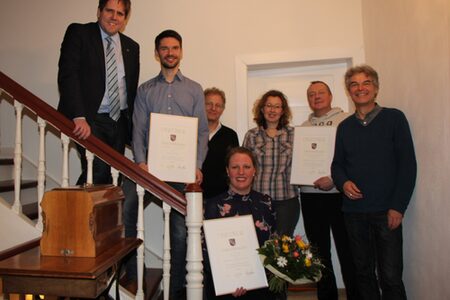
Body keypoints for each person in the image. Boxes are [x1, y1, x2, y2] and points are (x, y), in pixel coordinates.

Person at [122, 29, 209, 299]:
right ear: (157, 53)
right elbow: (138, 130)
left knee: (181, 233)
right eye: (164, 48)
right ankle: (133, 275)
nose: (169, 52)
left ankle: (176, 290)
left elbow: (202, 132)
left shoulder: (194, 89)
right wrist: (141, 162)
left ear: (181, 51)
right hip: (150, 171)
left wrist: (196, 165)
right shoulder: (145, 90)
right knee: (126, 209)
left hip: (183, 174)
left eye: (174, 48)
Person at [331, 65, 417, 300]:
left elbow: (408, 166)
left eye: (366, 83)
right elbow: (337, 165)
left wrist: (398, 206)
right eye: (354, 84)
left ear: (376, 88)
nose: (360, 88)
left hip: (386, 212)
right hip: (354, 213)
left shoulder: (394, 118)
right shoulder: (345, 127)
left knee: (390, 276)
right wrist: (344, 182)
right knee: (363, 274)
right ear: (349, 91)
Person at [57, 0, 139, 185]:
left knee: (113, 176)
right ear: (99, 11)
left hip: (118, 122)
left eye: (120, 13)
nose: (114, 17)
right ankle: (73, 213)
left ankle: (95, 214)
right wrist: (78, 115)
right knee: (97, 170)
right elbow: (68, 75)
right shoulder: (79, 33)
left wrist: (135, 130)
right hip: (89, 119)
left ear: (125, 18)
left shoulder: (132, 47)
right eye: (109, 11)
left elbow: (131, 91)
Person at [300, 81, 359, 300]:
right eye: (311, 94)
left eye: (320, 92)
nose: (316, 96)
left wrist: (335, 180)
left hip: (340, 195)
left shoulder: (346, 121)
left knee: (348, 251)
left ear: (331, 95)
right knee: (319, 254)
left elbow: (353, 158)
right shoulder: (303, 128)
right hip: (309, 196)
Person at [204, 147, 276, 300]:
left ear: (254, 171)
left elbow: (272, 245)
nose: (241, 172)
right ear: (228, 171)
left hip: (260, 281)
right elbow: (206, 252)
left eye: (247, 167)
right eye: (235, 167)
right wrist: (229, 282)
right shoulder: (212, 205)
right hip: (225, 286)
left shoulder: (266, 202)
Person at [242, 90, 299, 236]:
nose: (272, 110)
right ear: (262, 109)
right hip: (257, 199)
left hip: (286, 201)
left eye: (277, 106)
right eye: (268, 106)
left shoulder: (295, 135)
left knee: (284, 245)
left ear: (283, 111)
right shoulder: (251, 135)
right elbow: (243, 167)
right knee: (258, 242)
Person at [201, 87, 239, 199]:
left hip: (222, 198)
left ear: (223, 109)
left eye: (218, 105)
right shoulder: (191, 131)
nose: (213, 108)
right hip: (193, 196)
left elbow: (234, 167)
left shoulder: (231, 135)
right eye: (208, 104)